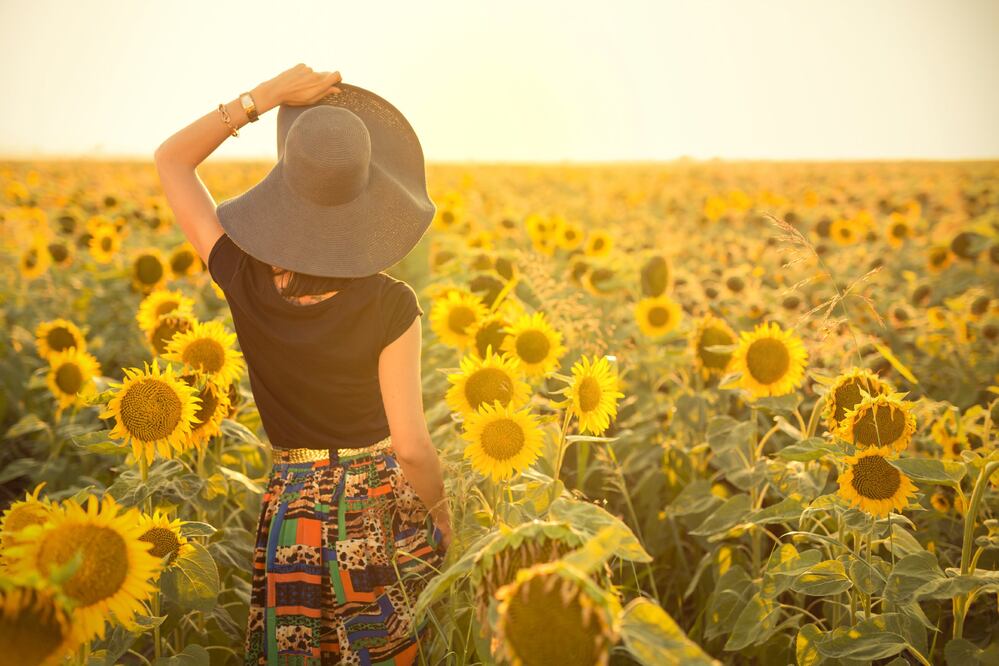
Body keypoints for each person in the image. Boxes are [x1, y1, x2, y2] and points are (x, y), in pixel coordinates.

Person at [153, 63, 452, 665]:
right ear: (370, 200)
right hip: (376, 509)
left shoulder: (241, 275)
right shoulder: (391, 305)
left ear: (286, 186)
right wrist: (443, 516)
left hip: (293, 511)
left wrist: (264, 98)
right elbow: (413, 446)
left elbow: (171, 160)